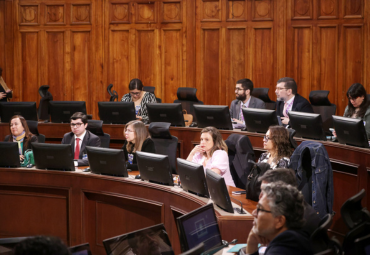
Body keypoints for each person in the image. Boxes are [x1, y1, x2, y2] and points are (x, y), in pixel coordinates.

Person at [243, 182, 313, 255]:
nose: (254, 213)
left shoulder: (284, 248)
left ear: (279, 221)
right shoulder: (291, 240)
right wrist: (252, 243)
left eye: (260, 209)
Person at [258, 168, 321, 237]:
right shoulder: (295, 206)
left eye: (265, 191)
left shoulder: (295, 219)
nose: (260, 196)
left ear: (280, 190)